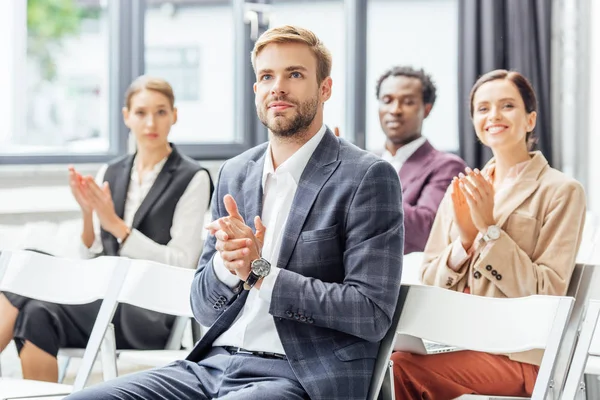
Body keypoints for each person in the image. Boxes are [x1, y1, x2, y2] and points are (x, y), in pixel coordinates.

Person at [65, 25, 404, 400]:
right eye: (266, 76)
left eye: (294, 74)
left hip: (298, 375)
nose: (278, 87)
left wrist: (262, 273)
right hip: (212, 365)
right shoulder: (236, 172)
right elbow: (203, 307)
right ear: (256, 90)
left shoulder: (367, 176)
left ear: (325, 88)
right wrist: (227, 267)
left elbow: (370, 313)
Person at [0, 76, 213, 383]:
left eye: (161, 112)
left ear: (174, 116)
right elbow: (92, 254)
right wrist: (88, 215)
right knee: (35, 311)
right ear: (127, 117)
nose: (150, 122)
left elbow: (182, 264)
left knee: (27, 272)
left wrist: (118, 227)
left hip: (149, 312)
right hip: (102, 299)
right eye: (140, 113)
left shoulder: (194, 177)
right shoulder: (111, 172)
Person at [391, 69, 586, 399]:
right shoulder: (463, 188)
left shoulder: (561, 191)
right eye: (482, 108)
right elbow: (429, 276)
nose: (493, 115)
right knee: (382, 363)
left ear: (530, 119)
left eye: (507, 105)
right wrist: (465, 243)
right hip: (455, 339)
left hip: (519, 356)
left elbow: (548, 292)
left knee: (404, 369)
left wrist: (490, 231)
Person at [376, 66, 467, 254]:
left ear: (426, 109)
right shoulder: (364, 162)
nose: (395, 110)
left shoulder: (447, 166)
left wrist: (365, 189)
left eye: (408, 102)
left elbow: (427, 230)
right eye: (387, 100)